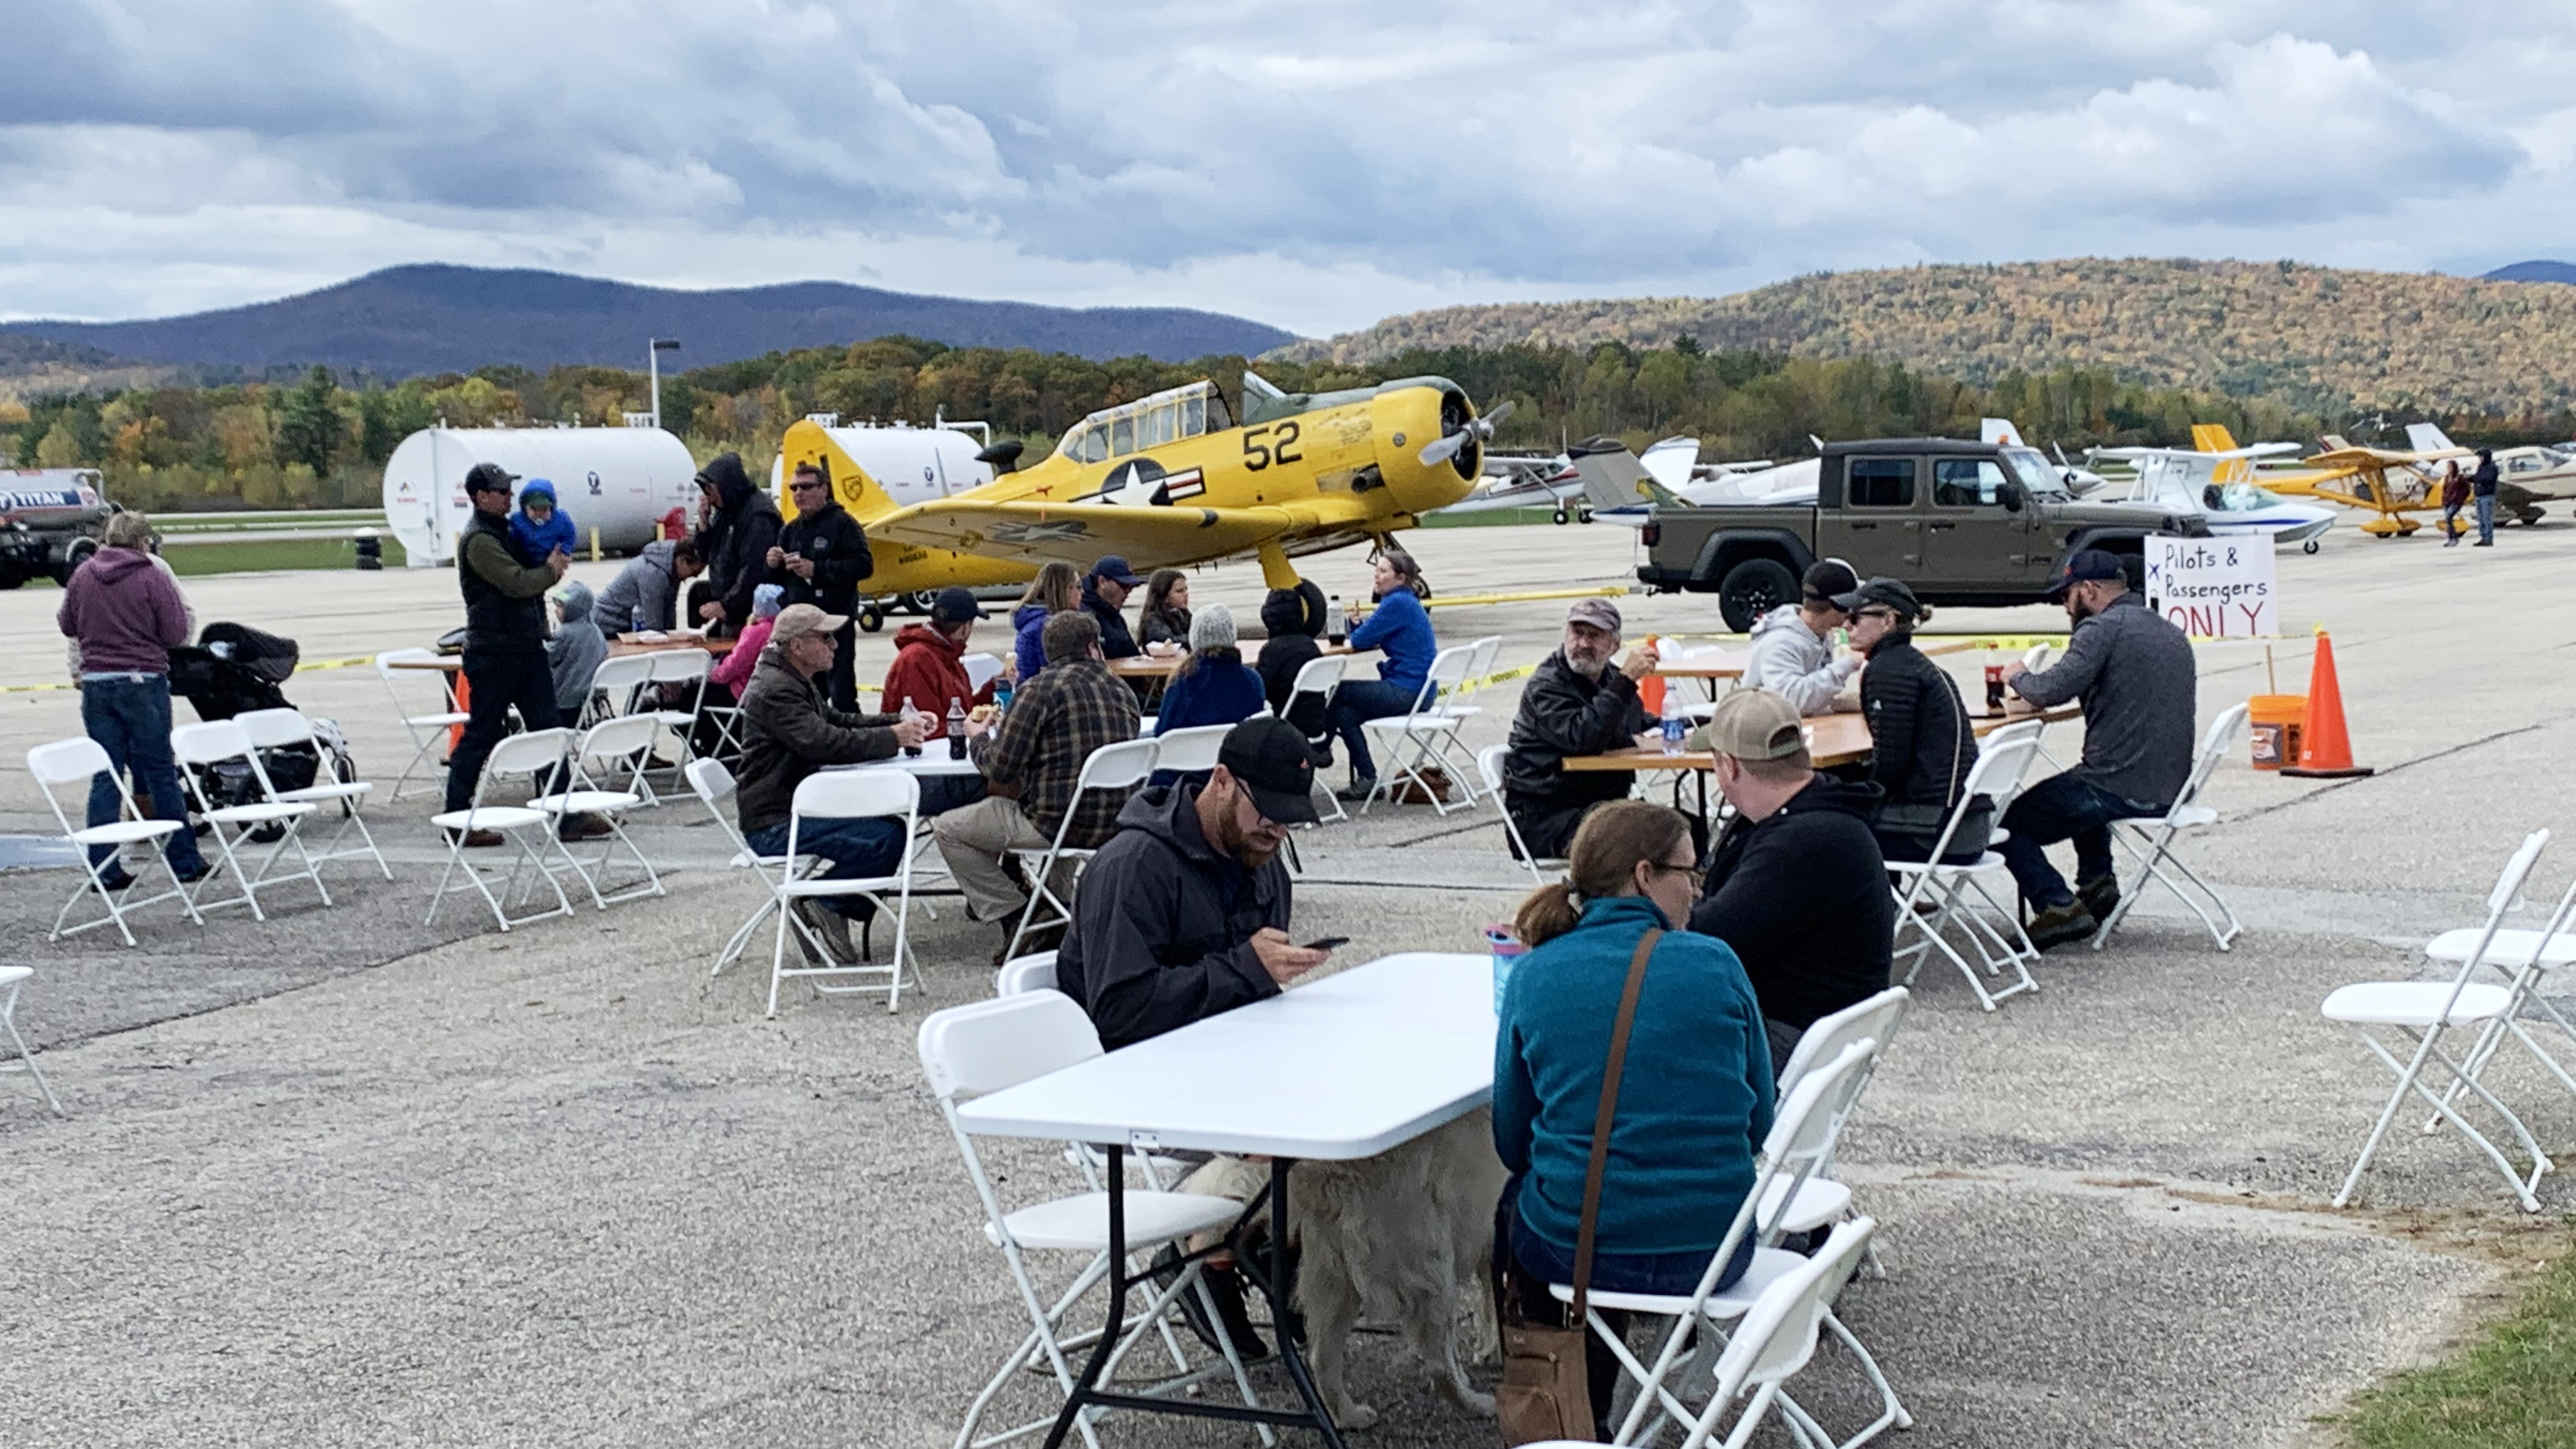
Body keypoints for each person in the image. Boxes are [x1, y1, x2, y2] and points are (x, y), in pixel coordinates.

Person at [1494, 800, 1775, 1438]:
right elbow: (1759, 1123)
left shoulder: (1533, 974)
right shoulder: (1716, 963)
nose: (1697, 890)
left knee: (1523, 1207)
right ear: (1645, 875)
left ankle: (1559, 1400)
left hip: (1579, 1250)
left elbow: (1512, 1140)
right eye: (1689, 872)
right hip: (1714, 1251)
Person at [1054, 716, 1328, 1049]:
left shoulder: (1263, 858)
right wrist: (1247, 967)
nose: (1277, 830)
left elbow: (1257, 989)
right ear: (1222, 781)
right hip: (1133, 1068)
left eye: (1291, 819)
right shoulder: (1133, 866)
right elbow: (1118, 1010)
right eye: (1268, 811)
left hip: (1228, 1049)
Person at [1686, 689, 1893, 1073]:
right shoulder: (1821, 814)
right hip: (1830, 1029)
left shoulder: (1797, 843)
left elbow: (1706, 937)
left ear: (1729, 766)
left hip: (1796, 1038)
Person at [1999, 550, 2197, 949]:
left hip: (2121, 787)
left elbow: (2050, 689)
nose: (2064, 607)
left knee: (2004, 825)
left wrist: (2017, 675)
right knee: (2078, 782)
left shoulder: (2101, 630)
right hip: (2171, 787)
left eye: (2065, 596)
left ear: (2088, 590)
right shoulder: (2166, 628)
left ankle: (2057, 906)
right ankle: (2096, 883)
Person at [933, 610, 1143, 957]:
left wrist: (977, 738)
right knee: (1067, 805)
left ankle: (1012, 912)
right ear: (1093, 648)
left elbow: (999, 768)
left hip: (1055, 825)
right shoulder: (1121, 691)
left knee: (950, 829)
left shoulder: (1038, 691)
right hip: (1116, 823)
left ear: (1048, 652)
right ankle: (1056, 910)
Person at [735, 603, 934, 963]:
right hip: (774, 822)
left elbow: (838, 722)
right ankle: (826, 904)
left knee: (889, 830)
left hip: (789, 807)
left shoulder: (791, 679)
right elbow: (825, 742)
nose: (835, 645)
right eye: (826, 637)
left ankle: (826, 905)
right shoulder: (778, 689)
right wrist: (895, 736)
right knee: (882, 838)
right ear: (797, 645)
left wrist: (898, 723)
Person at [54, 511, 209, 889]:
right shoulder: (151, 575)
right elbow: (175, 633)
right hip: (143, 682)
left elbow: (66, 624)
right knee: (159, 771)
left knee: (106, 775)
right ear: (143, 542)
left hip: (97, 685)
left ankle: (104, 868)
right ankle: (184, 861)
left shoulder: (83, 574)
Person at [444, 462, 574, 846]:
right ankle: (455, 819)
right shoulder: (480, 541)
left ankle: (566, 815)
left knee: (550, 730)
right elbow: (517, 583)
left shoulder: (506, 531)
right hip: (496, 653)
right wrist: (550, 572)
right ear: (480, 497)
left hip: (524, 648)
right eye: (501, 491)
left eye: (508, 490)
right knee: (482, 734)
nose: (509, 497)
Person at [1836, 576, 1984, 862]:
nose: (1846, 625)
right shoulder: (1913, 663)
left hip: (1935, 832)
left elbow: (1891, 762)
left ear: (1888, 621)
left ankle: (1876, 905)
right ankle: (1891, 904)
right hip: (1962, 824)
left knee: (1826, 826)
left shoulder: (1888, 671)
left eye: (1854, 617)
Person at [1501, 598, 1659, 860]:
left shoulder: (1610, 677)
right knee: (1642, 838)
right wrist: (1625, 682)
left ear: (1614, 645)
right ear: (1565, 636)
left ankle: (1694, 898)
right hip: (1547, 817)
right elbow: (1583, 738)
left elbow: (1639, 724)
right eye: (1577, 633)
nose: (1583, 644)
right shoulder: (1547, 686)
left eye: (1595, 636)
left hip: (1599, 806)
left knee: (1680, 826)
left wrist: (1696, 727)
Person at [878, 587, 1005, 816]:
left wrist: (993, 687)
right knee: (1010, 783)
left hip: (942, 765)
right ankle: (998, 846)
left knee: (1008, 778)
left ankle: (997, 846)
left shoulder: (943, 654)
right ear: (966, 626)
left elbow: (961, 715)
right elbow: (929, 728)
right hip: (924, 776)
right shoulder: (918, 659)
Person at [1325, 548, 1438, 800]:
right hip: (1421, 690)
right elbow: (1367, 636)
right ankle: (1367, 779)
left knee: (1337, 691)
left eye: (1383, 571)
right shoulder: (1407, 602)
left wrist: (1356, 628)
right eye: (1376, 570)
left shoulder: (1396, 603)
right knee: (1346, 713)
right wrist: (1359, 627)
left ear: (1400, 578)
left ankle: (1321, 748)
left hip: (1408, 690)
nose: (1376, 577)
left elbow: (1361, 640)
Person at [769, 461, 875, 710]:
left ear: (824, 489)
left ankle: (851, 741)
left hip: (834, 621)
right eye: (794, 488)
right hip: (800, 625)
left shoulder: (843, 524)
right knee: (802, 691)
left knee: (841, 691)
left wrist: (818, 569)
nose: (799, 493)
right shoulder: (790, 530)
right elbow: (777, 582)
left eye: (806, 487)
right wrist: (773, 563)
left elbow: (863, 565)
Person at [1151, 606, 1268, 787]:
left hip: (1184, 778)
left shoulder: (1183, 683)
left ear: (1195, 638)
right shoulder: (1253, 680)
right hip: (1238, 776)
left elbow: (1163, 733)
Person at [1744, 560, 1862, 714]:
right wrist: (1848, 664)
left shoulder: (1820, 633)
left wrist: (1837, 704)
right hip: (1762, 732)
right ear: (1838, 606)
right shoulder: (1780, 642)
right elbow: (1791, 702)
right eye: (1851, 605)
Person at [691, 452, 782, 635]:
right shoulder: (724, 511)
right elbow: (703, 554)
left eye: (710, 489)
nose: (708, 497)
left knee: (734, 658)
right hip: (728, 599)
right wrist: (703, 523)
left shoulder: (758, 516)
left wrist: (727, 606)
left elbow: (753, 569)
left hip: (748, 609)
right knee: (696, 594)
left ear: (725, 486)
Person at [1254, 579, 1331, 738]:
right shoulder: (1311, 646)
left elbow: (1261, 690)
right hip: (1316, 726)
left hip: (1286, 727)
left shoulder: (1273, 650)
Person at [595, 536, 704, 636]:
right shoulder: (653, 574)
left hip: (622, 624)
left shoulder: (670, 570)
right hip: (607, 625)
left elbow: (669, 613)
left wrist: (671, 636)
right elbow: (653, 625)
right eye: (694, 572)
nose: (695, 576)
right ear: (682, 561)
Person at [543, 580, 610, 722]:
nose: (556, 610)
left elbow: (548, 656)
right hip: (590, 695)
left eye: (561, 607)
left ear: (574, 609)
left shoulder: (566, 633)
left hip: (566, 696)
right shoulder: (595, 630)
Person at [709, 584, 785, 698]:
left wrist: (714, 675)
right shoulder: (786, 629)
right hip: (777, 692)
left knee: (694, 693)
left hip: (746, 692)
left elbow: (736, 663)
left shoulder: (756, 632)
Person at [1012, 561, 1081, 682]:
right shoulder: (1048, 627)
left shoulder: (1036, 622)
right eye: (1078, 587)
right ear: (1065, 590)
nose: (1083, 592)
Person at [1080, 555, 1145, 660]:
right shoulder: (1084, 614)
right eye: (1124, 585)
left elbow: (1133, 653)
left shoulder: (1115, 616)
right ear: (1102, 582)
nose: (1129, 591)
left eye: (1132, 587)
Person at [508, 479, 578, 566]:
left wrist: (564, 550)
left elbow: (570, 535)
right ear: (525, 507)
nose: (539, 514)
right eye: (534, 509)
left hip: (551, 557)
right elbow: (511, 540)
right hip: (526, 559)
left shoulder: (561, 520)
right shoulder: (517, 521)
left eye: (544, 509)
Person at [1137, 568, 1193, 649]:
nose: (1186, 594)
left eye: (1186, 590)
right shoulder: (1153, 619)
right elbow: (1170, 640)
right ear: (1165, 596)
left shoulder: (1184, 614)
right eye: (1180, 591)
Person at [2470, 446, 2500, 546]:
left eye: (2481, 457)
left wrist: (2477, 478)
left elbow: (2488, 479)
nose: (2480, 459)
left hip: (2487, 495)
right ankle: (2483, 537)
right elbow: (2478, 478)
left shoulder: (2492, 467)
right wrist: (2469, 478)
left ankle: (2488, 539)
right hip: (2479, 495)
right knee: (2481, 519)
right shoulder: (2481, 467)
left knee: (2487, 519)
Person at [2439, 461, 2470, 547]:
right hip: (2447, 501)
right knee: (2448, 520)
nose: (2449, 468)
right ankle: (2451, 538)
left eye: (2450, 466)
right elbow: (2445, 489)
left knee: (2449, 517)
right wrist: (2444, 498)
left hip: (2456, 501)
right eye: (2447, 466)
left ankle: (2454, 538)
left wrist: (2461, 497)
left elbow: (2467, 489)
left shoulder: (2460, 478)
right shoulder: (2446, 477)